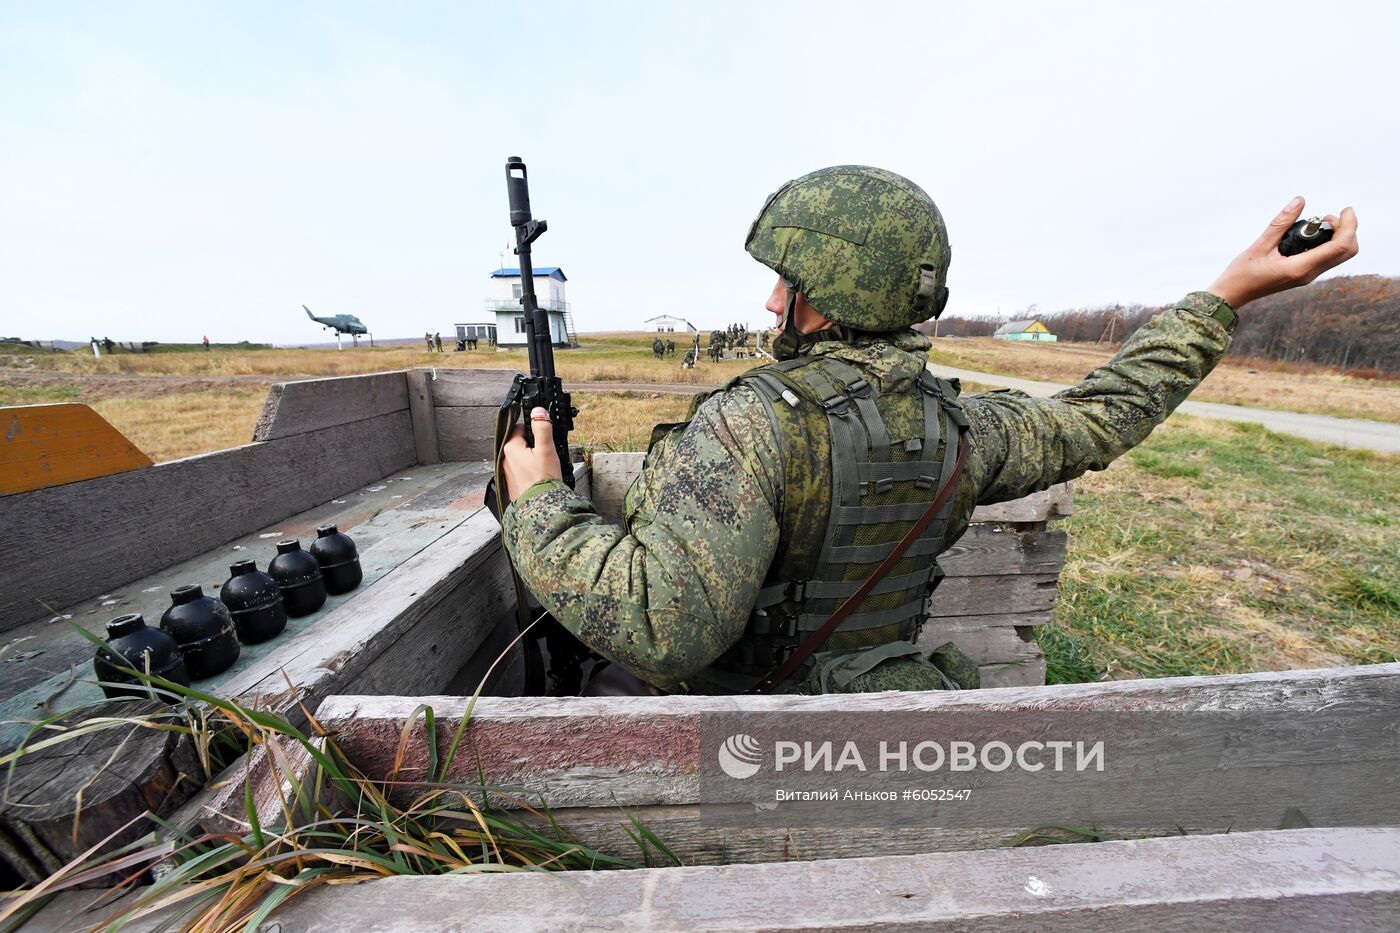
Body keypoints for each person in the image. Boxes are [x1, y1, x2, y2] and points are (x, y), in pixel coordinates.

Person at [500, 166, 1358, 696]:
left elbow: (667, 630)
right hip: (882, 718)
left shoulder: (748, 427)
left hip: (741, 739)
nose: (770, 302)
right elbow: (1104, 412)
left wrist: (539, 502)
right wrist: (1225, 297)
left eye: (788, 282)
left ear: (838, 295)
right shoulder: (962, 430)